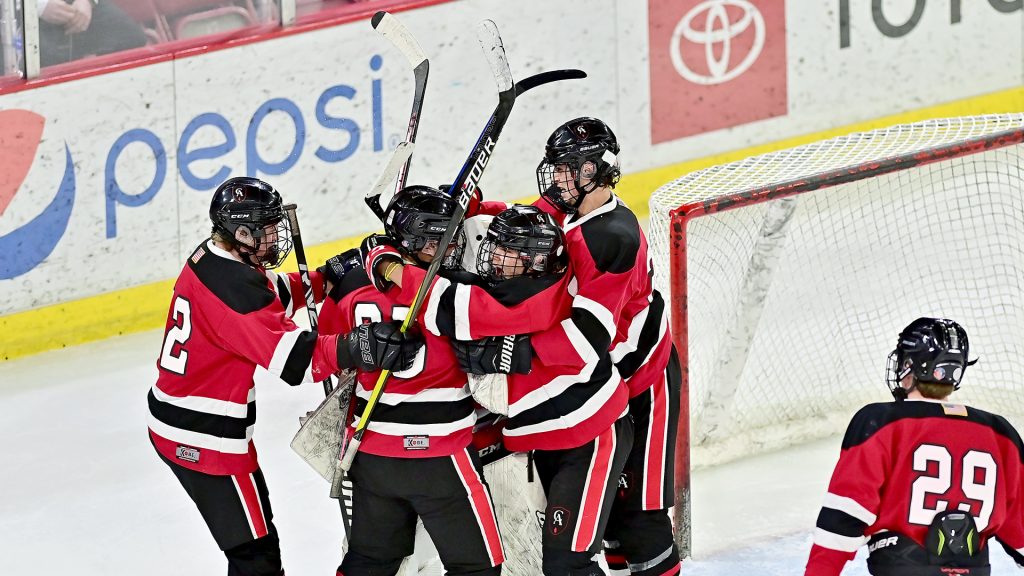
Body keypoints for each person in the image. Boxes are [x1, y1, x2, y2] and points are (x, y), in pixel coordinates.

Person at [147, 176, 422, 576]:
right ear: (241, 231)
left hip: (185, 420)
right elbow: (297, 361)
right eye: (267, 230)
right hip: (201, 437)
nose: (276, 238)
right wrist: (357, 345)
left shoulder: (219, 257)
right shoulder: (234, 290)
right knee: (254, 555)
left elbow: (271, 294)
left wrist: (326, 278)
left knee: (256, 543)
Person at [366, 202, 633, 575]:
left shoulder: (529, 299)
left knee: (568, 565)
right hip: (548, 437)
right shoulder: (515, 282)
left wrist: (388, 265)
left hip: (590, 436)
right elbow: (461, 289)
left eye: (509, 251)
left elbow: (447, 305)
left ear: (536, 262)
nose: (494, 256)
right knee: (551, 561)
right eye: (496, 245)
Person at [318, 185, 509, 576]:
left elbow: (333, 359)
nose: (453, 244)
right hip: (441, 459)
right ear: (416, 239)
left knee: (369, 561)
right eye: (442, 237)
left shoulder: (351, 286)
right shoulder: (455, 292)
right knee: (479, 567)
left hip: (371, 455)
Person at [531, 117, 682, 576]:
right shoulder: (574, 207)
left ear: (596, 171)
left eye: (566, 169)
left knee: (639, 518)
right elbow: (525, 218)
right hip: (603, 385)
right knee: (611, 515)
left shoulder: (611, 237)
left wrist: (517, 354)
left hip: (645, 383)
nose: (556, 180)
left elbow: (588, 340)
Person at [805, 317, 1024, 576]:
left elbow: (844, 518)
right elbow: (1019, 530)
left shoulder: (881, 422)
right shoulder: (1001, 433)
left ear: (910, 366)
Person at [37, 0, 147, 67]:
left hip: (79, 3)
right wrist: (39, 6)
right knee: (48, 67)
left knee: (132, 40)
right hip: (29, 12)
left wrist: (87, 1)